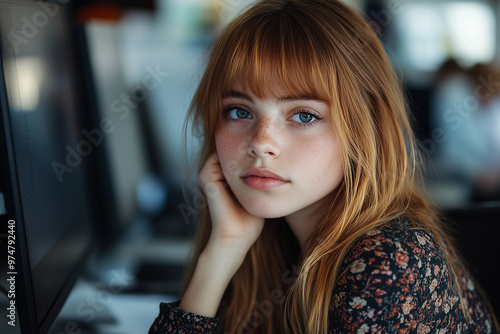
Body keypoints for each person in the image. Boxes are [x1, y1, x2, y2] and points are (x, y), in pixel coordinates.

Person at [149, 0, 499, 333]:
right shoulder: (274, 240)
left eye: (304, 115)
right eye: (239, 111)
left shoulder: (386, 264)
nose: (260, 142)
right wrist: (222, 251)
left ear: (365, 132)